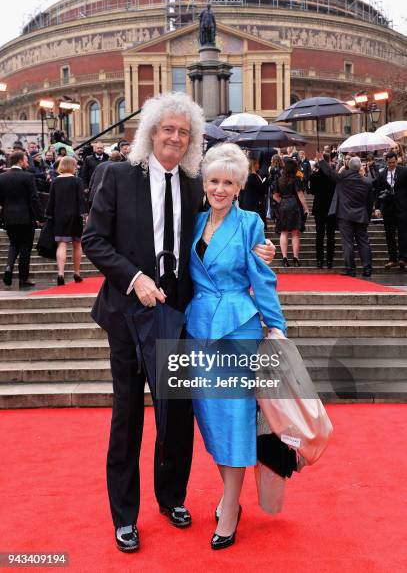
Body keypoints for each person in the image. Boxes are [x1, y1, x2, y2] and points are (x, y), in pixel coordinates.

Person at [81, 92, 275, 553]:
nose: (174, 137)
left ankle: (171, 498)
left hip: (177, 314)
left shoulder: (194, 184)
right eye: (167, 128)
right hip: (127, 314)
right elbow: (92, 238)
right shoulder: (115, 175)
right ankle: (124, 516)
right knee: (127, 416)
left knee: (175, 414)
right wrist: (134, 278)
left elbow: (224, 232)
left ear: (191, 141)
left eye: (183, 132)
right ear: (150, 131)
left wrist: (260, 251)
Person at [186, 142, 286, 550]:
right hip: (198, 332)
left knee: (235, 418)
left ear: (241, 186)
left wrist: (276, 326)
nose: (220, 189)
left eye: (229, 182)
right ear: (204, 183)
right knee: (210, 420)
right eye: (214, 181)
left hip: (238, 329)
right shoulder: (192, 224)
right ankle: (229, 496)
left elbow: (262, 279)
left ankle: (230, 506)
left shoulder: (250, 226)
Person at [318, 155, 374, 277]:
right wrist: (367, 216)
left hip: (345, 215)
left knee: (348, 243)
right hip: (361, 216)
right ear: (360, 167)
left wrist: (321, 160)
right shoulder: (367, 182)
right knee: (363, 242)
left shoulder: (343, 177)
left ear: (348, 165)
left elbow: (330, 173)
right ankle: (367, 269)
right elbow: (370, 203)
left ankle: (350, 269)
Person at [0, 151, 44, 289]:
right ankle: (23, 278)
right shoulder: (28, 176)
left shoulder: (2, 177)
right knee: (25, 247)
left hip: (8, 217)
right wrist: (41, 217)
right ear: (19, 161)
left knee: (14, 244)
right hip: (26, 217)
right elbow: (34, 199)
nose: (27, 162)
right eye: (26, 160)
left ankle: (8, 267)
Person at [46, 156, 86, 286]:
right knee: (77, 244)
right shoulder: (77, 181)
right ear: (72, 166)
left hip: (59, 216)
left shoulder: (55, 181)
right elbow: (81, 199)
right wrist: (85, 214)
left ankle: (60, 274)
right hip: (75, 215)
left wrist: (48, 215)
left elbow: (51, 200)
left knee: (62, 244)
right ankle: (77, 273)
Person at [273, 158, 309, 267]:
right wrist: (306, 208)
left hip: (283, 205)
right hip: (295, 206)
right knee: (295, 233)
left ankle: (284, 258)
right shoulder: (296, 179)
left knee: (284, 232)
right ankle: (295, 258)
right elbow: (300, 194)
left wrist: (283, 201)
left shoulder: (279, 179)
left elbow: (274, 196)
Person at [374, 152, 407, 269]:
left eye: (393, 162)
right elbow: (378, 191)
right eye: (389, 163)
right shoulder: (381, 174)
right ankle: (392, 259)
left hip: (402, 207)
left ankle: (403, 258)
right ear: (386, 162)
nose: (392, 165)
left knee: (403, 234)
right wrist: (377, 207)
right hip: (388, 209)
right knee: (389, 235)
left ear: (397, 160)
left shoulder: (404, 171)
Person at [310, 153, 336, 269]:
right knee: (331, 235)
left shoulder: (314, 176)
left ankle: (319, 260)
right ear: (329, 161)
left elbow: (312, 191)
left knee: (319, 234)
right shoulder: (333, 176)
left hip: (319, 207)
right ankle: (330, 260)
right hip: (330, 208)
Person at [241, 151, 269, 226]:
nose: (259, 165)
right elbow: (262, 190)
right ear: (254, 165)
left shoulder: (246, 176)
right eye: (257, 163)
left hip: (247, 203)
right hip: (255, 204)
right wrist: (266, 182)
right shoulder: (254, 177)